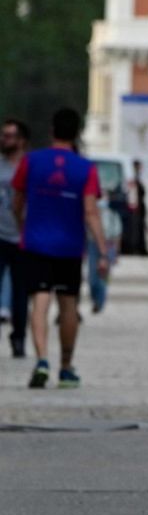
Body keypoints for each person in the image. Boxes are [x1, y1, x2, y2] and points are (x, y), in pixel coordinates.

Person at [11, 109, 111, 389]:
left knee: (39, 302)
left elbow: (17, 200)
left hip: (35, 241)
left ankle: (42, 359)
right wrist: (103, 250)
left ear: (52, 130)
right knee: (68, 305)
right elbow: (91, 211)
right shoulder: (86, 168)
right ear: (77, 132)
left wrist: (22, 225)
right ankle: (66, 367)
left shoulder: (31, 161)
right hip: (69, 246)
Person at [0, 119, 31, 357]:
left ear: (21, 141)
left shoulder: (30, 167)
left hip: (22, 237)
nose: (4, 140)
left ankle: (19, 337)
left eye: (10, 136)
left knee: (21, 292)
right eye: (3, 135)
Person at [86, 182, 122, 314]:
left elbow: (117, 234)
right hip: (93, 244)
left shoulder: (113, 215)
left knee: (104, 276)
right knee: (92, 276)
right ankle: (95, 298)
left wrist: (116, 252)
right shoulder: (91, 213)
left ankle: (100, 301)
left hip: (109, 245)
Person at [122, 159, 148, 256]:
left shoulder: (138, 178)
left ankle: (138, 247)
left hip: (139, 209)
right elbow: (132, 195)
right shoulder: (132, 178)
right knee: (133, 230)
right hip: (134, 209)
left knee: (139, 230)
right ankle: (133, 248)